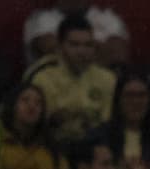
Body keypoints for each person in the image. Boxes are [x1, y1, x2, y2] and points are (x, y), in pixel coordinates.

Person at [27, 14, 116, 149]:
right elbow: (34, 127)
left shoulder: (107, 79)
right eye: (74, 45)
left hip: (95, 150)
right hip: (52, 149)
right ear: (60, 47)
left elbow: (109, 126)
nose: (82, 51)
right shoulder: (42, 78)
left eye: (88, 45)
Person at [0, 84, 66, 169]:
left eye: (38, 103)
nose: (32, 106)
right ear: (12, 105)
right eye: (25, 100)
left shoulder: (51, 148)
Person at [99, 73, 150, 169]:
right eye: (129, 95)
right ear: (118, 99)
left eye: (141, 95)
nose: (136, 101)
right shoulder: (100, 136)